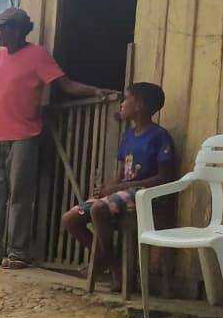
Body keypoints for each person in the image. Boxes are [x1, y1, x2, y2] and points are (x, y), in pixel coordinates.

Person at [0, 7, 114, 269]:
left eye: (3, 28)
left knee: (20, 197)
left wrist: (95, 90)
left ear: (18, 30)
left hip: (25, 136)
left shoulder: (37, 56)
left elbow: (65, 85)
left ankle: (17, 251)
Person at [61, 82, 177, 286]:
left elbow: (163, 178)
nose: (122, 104)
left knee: (98, 209)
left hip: (145, 195)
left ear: (139, 105)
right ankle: (111, 262)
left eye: (126, 99)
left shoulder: (160, 136)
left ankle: (109, 266)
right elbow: (121, 173)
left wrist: (116, 189)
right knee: (71, 218)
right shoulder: (128, 136)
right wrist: (106, 189)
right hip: (122, 195)